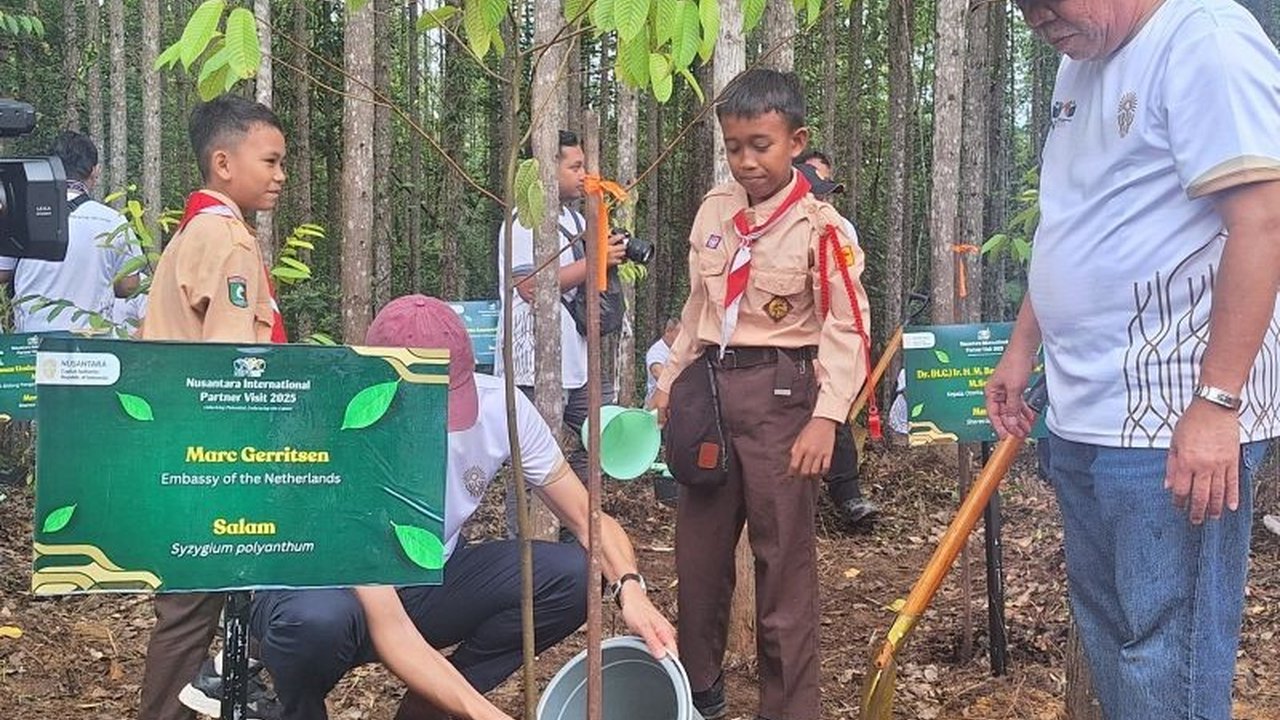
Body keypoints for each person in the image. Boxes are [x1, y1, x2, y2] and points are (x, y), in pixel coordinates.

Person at [986, 2, 1280, 718]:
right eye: (1020, 6)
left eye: (1043, 0)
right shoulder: (1079, 60)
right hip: (1086, 412)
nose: (1033, 17)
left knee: (1162, 657)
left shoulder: (1203, 38)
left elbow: (1264, 216)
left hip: (1171, 418)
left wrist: (1216, 404)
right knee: (1113, 635)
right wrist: (1022, 348)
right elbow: (1073, 219)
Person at [244, 294, 677, 720]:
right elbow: (392, 628)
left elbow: (588, 517)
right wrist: (486, 715)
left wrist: (631, 587)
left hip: (430, 576)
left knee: (576, 574)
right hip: (329, 593)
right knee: (313, 623)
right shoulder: (342, 433)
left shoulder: (500, 406)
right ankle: (293, 710)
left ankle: (431, 705)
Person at [651, 69, 871, 720]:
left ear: (795, 141)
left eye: (761, 144)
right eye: (734, 146)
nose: (746, 160)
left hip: (783, 399)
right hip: (710, 396)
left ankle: (789, 708)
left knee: (784, 572)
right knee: (699, 565)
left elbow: (846, 327)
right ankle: (698, 696)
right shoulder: (716, 211)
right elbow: (699, 308)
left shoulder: (821, 227)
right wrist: (668, 384)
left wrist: (825, 419)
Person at [138, 94, 288, 720]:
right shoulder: (227, 241)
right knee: (194, 606)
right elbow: (233, 376)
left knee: (192, 607)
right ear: (223, 163)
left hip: (183, 448)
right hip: (214, 461)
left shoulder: (196, 231)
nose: (281, 175)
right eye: (271, 161)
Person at [495, 129, 625, 528]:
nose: (583, 173)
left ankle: (576, 525)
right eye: (575, 166)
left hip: (576, 355)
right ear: (548, 171)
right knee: (532, 456)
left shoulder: (574, 219)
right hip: (532, 358)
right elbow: (531, 284)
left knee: (601, 436)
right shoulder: (523, 221)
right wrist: (598, 260)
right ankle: (527, 542)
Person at [794, 150, 879, 528]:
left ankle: (847, 495)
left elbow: (845, 300)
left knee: (833, 410)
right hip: (790, 343)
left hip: (828, 336)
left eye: (824, 187)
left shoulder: (838, 229)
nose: (819, 196)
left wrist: (827, 352)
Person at [0, 130, 142, 333]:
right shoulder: (113, 221)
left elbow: (2, 272)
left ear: (50, 166)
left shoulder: (22, 215)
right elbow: (130, 285)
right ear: (95, 171)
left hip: (33, 343)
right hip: (92, 344)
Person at [644, 318, 680, 404]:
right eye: (679, 334)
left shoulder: (679, 350)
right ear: (668, 332)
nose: (681, 338)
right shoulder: (656, 351)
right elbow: (658, 373)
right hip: (657, 404)